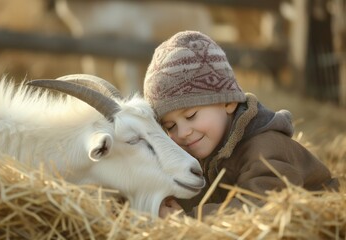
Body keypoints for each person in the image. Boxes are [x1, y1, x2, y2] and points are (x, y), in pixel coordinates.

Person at [143, 30, 339, 218]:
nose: (183, 132)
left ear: (228, 102)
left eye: (191, 115)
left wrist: (190, 219)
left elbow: (264, 206)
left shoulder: (264, 148)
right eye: (170, 126)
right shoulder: (205, 149)